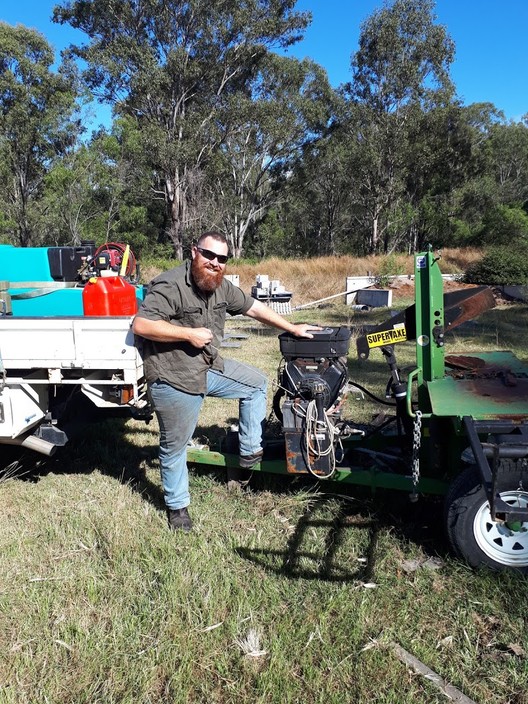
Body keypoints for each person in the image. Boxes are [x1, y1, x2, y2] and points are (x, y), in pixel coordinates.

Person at [132, 231, 320, 532]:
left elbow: (254, 307)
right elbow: (141, 324)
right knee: (174, 447)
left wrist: (292, 327)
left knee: (255, 383)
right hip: (174, 376)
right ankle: (177, 509)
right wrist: (188, 334)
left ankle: (248, 452)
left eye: (222, 258)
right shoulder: (171, 284)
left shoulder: (220, 287)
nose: (215, 263)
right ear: (195, 252)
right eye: (209, 255)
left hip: (206, 367)